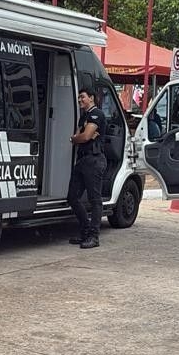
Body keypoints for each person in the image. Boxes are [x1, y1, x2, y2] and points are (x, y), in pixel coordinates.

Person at [68, 89, 106, 249]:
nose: (79, 100)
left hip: (94, 160)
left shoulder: (97, 114)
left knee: (95, 199)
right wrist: (79, 137)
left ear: (91, 98)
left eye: (82, 97)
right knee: (72, 197)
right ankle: (85, 229)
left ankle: (94, 236)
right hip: (83, 159)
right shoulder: (84, 117)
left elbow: (83, 136)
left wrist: (80, 136)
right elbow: (78, 137)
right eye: (78, 97)